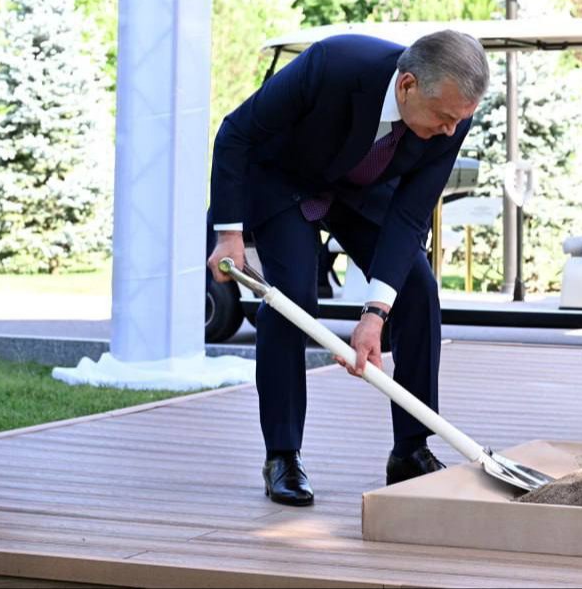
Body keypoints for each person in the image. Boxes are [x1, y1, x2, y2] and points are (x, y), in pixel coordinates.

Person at [207, 30, 489, 507]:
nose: (450, 131)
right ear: (407, 85)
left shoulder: (452, 115)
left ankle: (410, 451)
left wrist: (374, 314)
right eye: (443, 117)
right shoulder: (332, 65)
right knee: (294, 298)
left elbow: (409, 216)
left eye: (458, 120)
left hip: (361, 189)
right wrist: (229, 234)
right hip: (283, 181)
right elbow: (236, 133)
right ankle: (282, 455)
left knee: (417, 289)